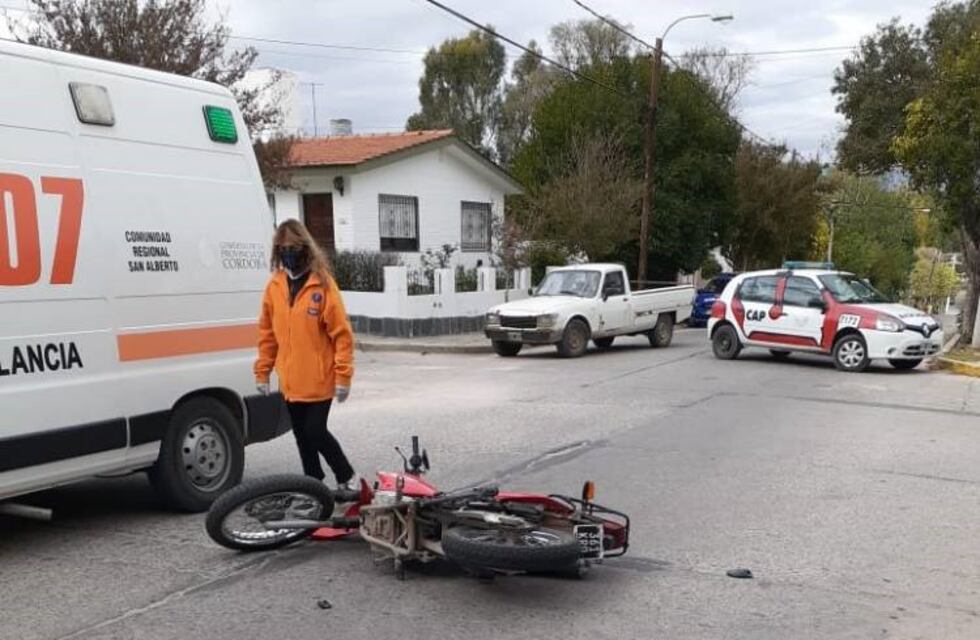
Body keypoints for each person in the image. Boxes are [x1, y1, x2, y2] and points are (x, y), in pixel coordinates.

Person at [254, 219, 357, 489]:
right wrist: (262, 371)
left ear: (306, 248)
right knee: (301, 436)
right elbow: (267, 333)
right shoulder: (274, 287)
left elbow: (342, 335)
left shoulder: (321, 286)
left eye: (294, 246)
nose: (289, 252)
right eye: (283, 247)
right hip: (291, 381)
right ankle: (314, 484)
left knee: (315, 431)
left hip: (319, 379)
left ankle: (345, 476)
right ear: (277, 251)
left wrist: (343, 376)